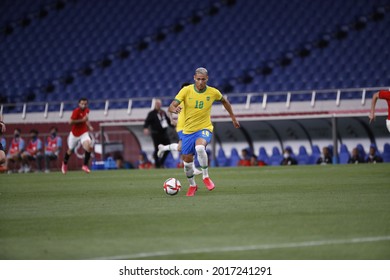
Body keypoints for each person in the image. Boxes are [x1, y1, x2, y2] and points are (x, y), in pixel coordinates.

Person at [168, 67, 240, 196]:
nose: (201, 82)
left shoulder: (213, 92)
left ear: (207, 79)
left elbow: (225, 101)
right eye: (198, 79)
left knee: (200, 148)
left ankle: (206, 176)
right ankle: (192, 185)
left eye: (203, 79)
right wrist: (174, 109)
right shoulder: (186, 90)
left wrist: (233, 118)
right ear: (194, 78)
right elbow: (171, 105)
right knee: (187, 163)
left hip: (204, 127)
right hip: (188, 131)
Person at [157, 82, 202, 175]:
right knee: (190, 147)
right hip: (182, 127)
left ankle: (163, 148)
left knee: (180, 148)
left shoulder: (193, 99)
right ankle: (193, 168)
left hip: (190, 126)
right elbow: (169, 109)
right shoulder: (179, 100)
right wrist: (172, 120)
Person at [61, 97, 94, 174]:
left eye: (85, 104)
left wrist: (89, 126)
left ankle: (85, 165)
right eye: (82, 103)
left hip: (83, 132)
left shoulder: (87, 110)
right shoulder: (76, 111)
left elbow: (86, 119)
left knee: (89, 147)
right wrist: (81, 120)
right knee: (70, 150)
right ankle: (64, 163)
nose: (83, 105)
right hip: (74, 134)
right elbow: (70, 122)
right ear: (79, 104)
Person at [143, 99, 172, 168]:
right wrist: (145, 128)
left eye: (159, 104)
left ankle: (161, 162)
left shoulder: (163, 112)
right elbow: (147, 122)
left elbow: (168, 121)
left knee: (168, 147)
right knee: (157, 149)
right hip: (156, 134)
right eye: (157, 104)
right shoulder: (152, 113)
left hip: (164, 133)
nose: (158, 105)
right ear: (155, 105)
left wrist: (175, 125)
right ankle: (157, 164)